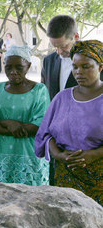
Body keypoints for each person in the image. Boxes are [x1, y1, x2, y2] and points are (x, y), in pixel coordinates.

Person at [35, 40, 103, 205]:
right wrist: (59, 154)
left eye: (86, 66)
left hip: (99, 180)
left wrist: (93, 155)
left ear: (100, 67)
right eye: (75, 67)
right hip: (64, 178)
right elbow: (45, 134)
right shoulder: (62, 98)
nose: (79, 72)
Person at [0, 45, 50, 185]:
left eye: (19, 67)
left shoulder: (39, 91)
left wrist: (2, 125)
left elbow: (40, 126)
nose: (13, 72)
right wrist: (10, 123)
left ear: (28, 66)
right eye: (8, 67)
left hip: (29, 156)